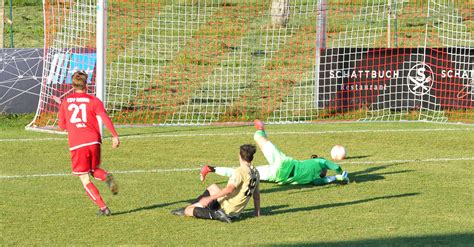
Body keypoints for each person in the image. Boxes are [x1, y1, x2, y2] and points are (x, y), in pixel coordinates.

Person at [200, 120, 349, 186]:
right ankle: (210, 168)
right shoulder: (317, 172)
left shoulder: (318, 170)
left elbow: (330, 171)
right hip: (279, 169)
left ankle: (210, 168)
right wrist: (339, 175)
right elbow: (329, 172)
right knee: (241, 170)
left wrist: (339, 175)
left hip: (278, 168)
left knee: (242, 171)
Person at [58, 70, 120, 216]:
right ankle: (106, 177)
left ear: (72, 85)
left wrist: (72, 128)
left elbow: (62, 125)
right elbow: (105, 118)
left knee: (84, 178)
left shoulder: (66, 101)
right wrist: (114, 136)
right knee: (93, 169)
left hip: (78, 143)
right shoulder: (93, 100)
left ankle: (103, 208)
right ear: (86, 84)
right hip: (94, 141)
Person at [171, 144, 260, 223]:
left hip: (227, 210)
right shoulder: (255, 172)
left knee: (188, 211)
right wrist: (257, 214)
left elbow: (230, 189)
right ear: (252, 157)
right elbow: (256, 196)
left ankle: (216, 214)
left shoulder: (239, 171)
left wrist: (210, 198)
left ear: (239, 156)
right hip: (235, 210)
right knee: (213, 187)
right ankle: (191, 207)